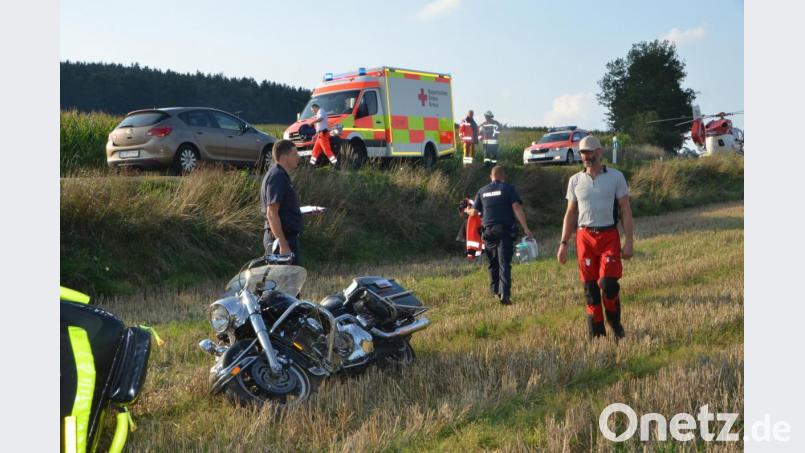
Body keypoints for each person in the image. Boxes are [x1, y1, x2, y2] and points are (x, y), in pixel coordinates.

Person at [557, 135, 634, 339]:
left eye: (589, 152)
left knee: (609, 285)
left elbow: (625, 210)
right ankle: (597, 335)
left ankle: (615, 323)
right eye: (582, 153)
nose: (585, 156)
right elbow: (570, 213)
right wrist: (563, 243)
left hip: (609, 235)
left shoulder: (616, 177)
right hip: (584, 238)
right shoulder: (575, 180)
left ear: (599, 152)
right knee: (590, 291)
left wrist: (629, 242)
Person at [466, 166, 533, 305]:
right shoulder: (508, 188)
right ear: (503, 176)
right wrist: (526, 228)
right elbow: (516, 207)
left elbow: (474, 212)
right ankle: (505, 294)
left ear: (491, 176)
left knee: (493, 263)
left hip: (488, 232)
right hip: (504, 231)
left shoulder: (482, 191)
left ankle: (496, 291)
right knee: (504, 263)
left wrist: (466, 210)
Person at [260, 139, 304, 264]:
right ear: (284, 158)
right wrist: (283, 244)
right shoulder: (277, 177)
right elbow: (272, 213)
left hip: (285, 237)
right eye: (294, 154)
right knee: (283, 282)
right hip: (280, 240)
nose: (298, 157)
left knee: (291, 282)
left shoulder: (281, 175)